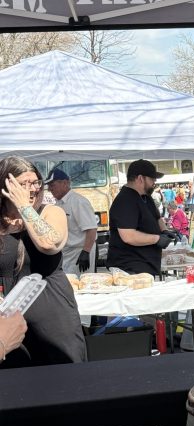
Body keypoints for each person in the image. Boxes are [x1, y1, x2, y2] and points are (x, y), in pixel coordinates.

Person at [0, 156, 86, 365]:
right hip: (9, 320)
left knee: (64, 382)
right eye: (23, 184)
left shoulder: (50, 212)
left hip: (54, 317)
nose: (32, 189)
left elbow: (49, 244)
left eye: (35, 182)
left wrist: (24, 207)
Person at [107, 160, 176, 276]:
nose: (154, 182)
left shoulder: (146, 197)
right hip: (129, 269)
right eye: (152, 179)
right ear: (140, 178)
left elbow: (157, 218)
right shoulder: (126, 200)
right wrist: (157, 239)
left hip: (146, 266)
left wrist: (165, 231)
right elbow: (128, 236)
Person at [45, 168, 98, 275]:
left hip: (80, 252)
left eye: (52, 185)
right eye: (49, 186)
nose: (49, 189)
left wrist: (86, 252)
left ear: (65, 183)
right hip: (66, 252)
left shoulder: (78, 201)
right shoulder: (58, 203)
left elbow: (91, 229)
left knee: (81, 285)